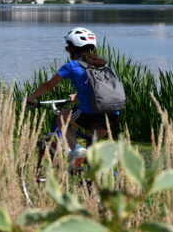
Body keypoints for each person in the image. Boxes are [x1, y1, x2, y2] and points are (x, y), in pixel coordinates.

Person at [26, 27, 119, 169]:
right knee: (90, 152)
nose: (67, 50)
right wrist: (78, 96)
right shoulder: (102, 65)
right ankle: (86, 180)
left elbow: (49, 85)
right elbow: (101, 89)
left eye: (68, 47)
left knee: (61, 119)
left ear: (73, 48)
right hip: (112, 114)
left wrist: (32, 97)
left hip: (90, 114)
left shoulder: (71, 66)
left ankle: (75, 149)